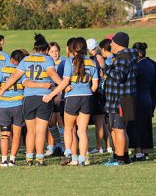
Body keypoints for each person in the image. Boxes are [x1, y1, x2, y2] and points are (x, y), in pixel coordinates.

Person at [0, 34, 64, 166]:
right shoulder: (47, 59)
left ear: (34, 49)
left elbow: (14, 76)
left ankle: (29, 159)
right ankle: (39, 159)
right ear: (45, 50)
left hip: (29, 99)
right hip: (44, 98)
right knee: (41, 130)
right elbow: (53, 75)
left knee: (30, 131)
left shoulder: (26, 60)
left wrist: (3, 89)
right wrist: (63, 85)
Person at [44, 38, 99, 167]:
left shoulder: (69, 61)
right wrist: (86, 90)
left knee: (69, 128)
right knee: (82, 131)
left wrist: (50, 95)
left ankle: (68, 153)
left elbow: (64, 83)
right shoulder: (92, 62)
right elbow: (95, 85)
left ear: (73, 49)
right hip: (87, 98)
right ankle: (82, 159)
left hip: (72, 98)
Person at [101, 32, 137, 166]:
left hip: (119, 100)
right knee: (119, 129)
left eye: (113, 42)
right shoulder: (126, 56)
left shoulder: (123, 58)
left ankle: (120, 159)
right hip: (125, 99)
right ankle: (123, 157)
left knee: (118, 129)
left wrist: (105, 68)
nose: (110, 45)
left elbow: (119, 76)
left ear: (118, 44)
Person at [0, 49, 28, 166]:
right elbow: (25, 84)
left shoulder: (2, 69)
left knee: (4, 134)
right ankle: (12, 159)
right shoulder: (23, 71)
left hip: (3, 106)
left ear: (11, 59)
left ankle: (3, 160)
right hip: (18, 104)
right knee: (16, 134)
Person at [127, 42, 156, 161]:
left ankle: (138, 153)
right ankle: (146, 151)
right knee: (146, 125)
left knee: (135, 126)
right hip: (148, 97)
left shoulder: (137, 66)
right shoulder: (151, 64)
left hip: (137, 98)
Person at [87, 38, 109, 154]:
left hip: (98, 93)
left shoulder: (98, 58)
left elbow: (104, 72)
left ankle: (99, 147)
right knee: (101, 121)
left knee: (99, 121)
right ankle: (108, 146)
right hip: (99, 92)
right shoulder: (97, 57)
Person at [46, 41, 64, 157]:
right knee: (51, 122)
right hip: (49, 95)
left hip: (60, 95)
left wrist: (60, 94)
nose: (54, 53)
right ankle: (57, 145)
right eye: (52, 51)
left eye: (56, 51)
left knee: (61, 121)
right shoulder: (46, 62)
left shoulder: (63, 62)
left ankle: (64, 147)